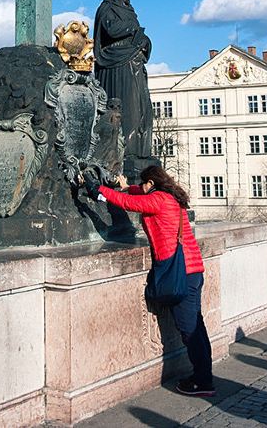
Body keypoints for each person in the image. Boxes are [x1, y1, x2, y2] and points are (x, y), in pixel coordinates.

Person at [84, 164, 215, 397]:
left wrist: (99, 190)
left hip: (181, 272)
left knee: (189, 329)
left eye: (144, 184)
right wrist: (127, 187)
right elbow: (138, 195)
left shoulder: (158, 200)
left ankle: (202, 381)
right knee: (196, 324)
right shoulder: (169, 197)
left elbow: (129, 204)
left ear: (151, 184)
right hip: (192, 269)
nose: (142, 187)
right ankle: (204, 375)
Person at [93, 0, 153, 159]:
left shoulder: (130, 12)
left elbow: (134, 31)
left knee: (142, 108)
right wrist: (133, 30)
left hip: (134, 60)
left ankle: (139, 151)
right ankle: (124, 152)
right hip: (116, 63)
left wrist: (145, 41)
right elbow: (110, 30)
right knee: (128, 106)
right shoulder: (106, 8)